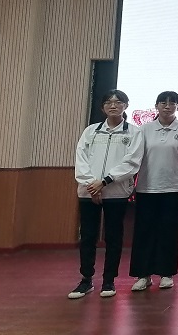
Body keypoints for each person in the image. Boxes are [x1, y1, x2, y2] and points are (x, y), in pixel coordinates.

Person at [69, 90, 144, 299]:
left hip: (116, 192)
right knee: (88, 236)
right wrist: (91, 184)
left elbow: (132, 162)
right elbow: (81, 158)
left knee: (113, 237)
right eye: (109, 102)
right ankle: (86, 280)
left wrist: (104, 182)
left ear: (126, 106)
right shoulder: (91, 131)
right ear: (102, 107)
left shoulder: (134, 132)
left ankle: (109, 280)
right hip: (88, 191)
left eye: (118, 102)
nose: (113, 105)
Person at [130, 91, 178, 292]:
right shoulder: (144, 129)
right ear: (156, 106)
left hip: (174, 187)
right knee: (144, 231)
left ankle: (166, 273)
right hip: (146, 187)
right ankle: (143, 275)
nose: (167, 106)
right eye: (163, 103)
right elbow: (135, 158)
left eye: (172, 103)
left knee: (169, 231)